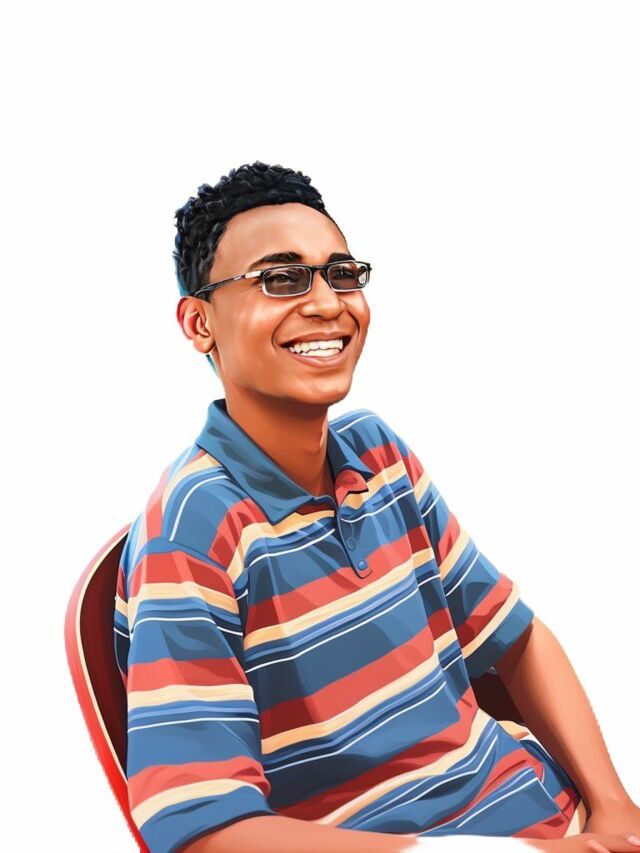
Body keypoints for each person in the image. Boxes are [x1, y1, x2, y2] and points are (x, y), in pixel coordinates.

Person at [113, 161, 640, 853]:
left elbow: (513, 637)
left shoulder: (378, 454)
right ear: (199, 321)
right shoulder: (190, 532)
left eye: (341, 274)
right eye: (281, 278)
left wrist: (615, 807)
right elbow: (204, 831)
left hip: (542, 809)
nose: (327, 302)